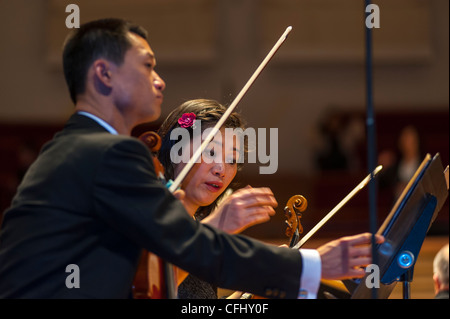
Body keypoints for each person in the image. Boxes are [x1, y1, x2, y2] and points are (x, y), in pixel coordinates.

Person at [0, 18, 382, 299]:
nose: (160, 80)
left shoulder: (71, 148)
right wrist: (314, 266)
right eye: (148, 66)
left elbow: (151, 275)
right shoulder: (108, 154)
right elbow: (190, 249)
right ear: (104, 74)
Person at [156, 98, 278, 298]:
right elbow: (157, 287)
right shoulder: (152, 216)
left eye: (232, 159)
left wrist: (251, 293)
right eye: (210, 152)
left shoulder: (195, 224)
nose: (221, 169)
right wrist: (218, 227)